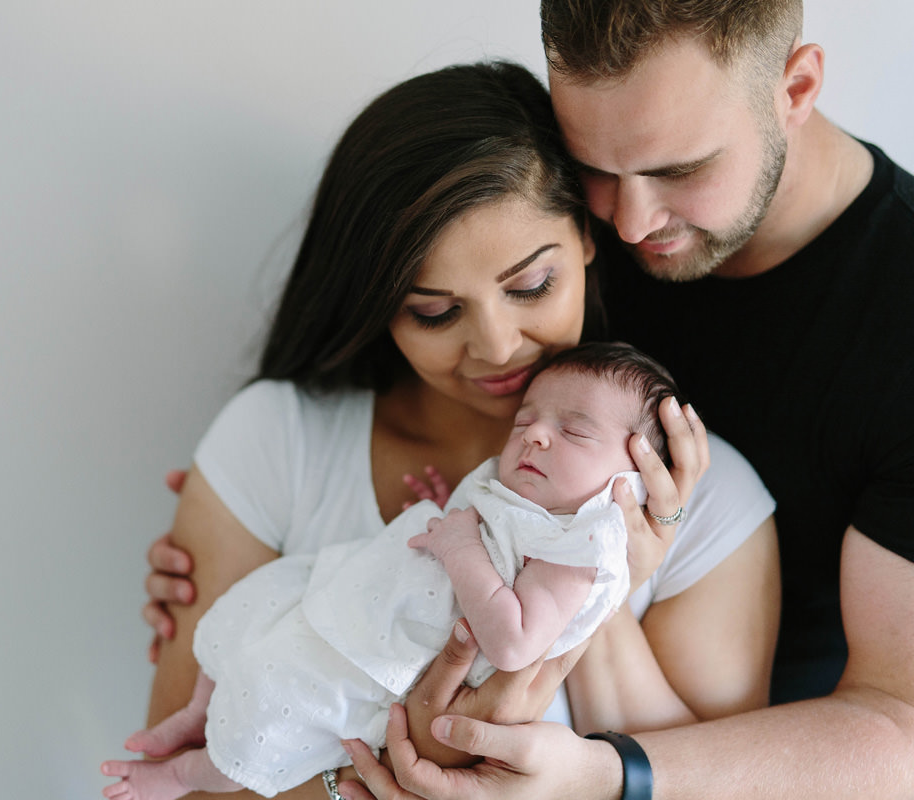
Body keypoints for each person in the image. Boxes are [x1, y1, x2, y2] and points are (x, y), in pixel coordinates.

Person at [124, 59, 779, 800]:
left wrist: (600, 577)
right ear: (378, 304)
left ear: (588, 240)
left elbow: (709, 780)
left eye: (532, 285)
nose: (497, 346)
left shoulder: (712, 503)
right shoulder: (277, 440)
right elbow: (174, 783)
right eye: (435, 311)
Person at [335, 2, 914, 799]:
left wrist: (611, 774)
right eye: (596, 170)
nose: (631, 222)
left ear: (797, 85)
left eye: (681, 170)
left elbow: (900, 730)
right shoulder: (559, 222)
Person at [105, 343, 677, 800]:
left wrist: (459, 546)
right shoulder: (522, 496)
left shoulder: (575, 552)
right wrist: (449, 511)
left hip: (385, 656)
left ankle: (192, 772)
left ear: (633, 479)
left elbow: (514, 641)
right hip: (355, 588)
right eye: (525, 420)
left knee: (278, 705)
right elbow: (480, 524)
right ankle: (196, 711)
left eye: (574, 431)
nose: (535, 433)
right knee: (255, 604)